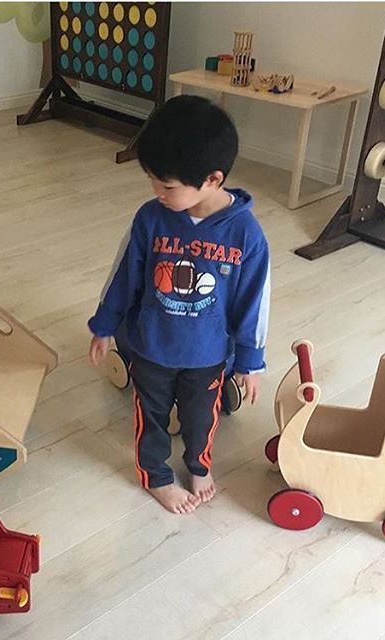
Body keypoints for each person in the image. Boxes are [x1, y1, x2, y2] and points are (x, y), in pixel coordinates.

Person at [88, 96, 270, 514]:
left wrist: (250, 362)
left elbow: (252, 304)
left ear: (212, 178)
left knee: (201, 418)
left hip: (207, 355)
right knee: (150, 416)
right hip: (150, 345)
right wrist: (104, 324)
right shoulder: (151, 218)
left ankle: (198, 465)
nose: (157, 193)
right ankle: (155, 474)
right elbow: (124, 276)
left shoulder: (246, 235)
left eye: (167, 185)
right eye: (153, 181)